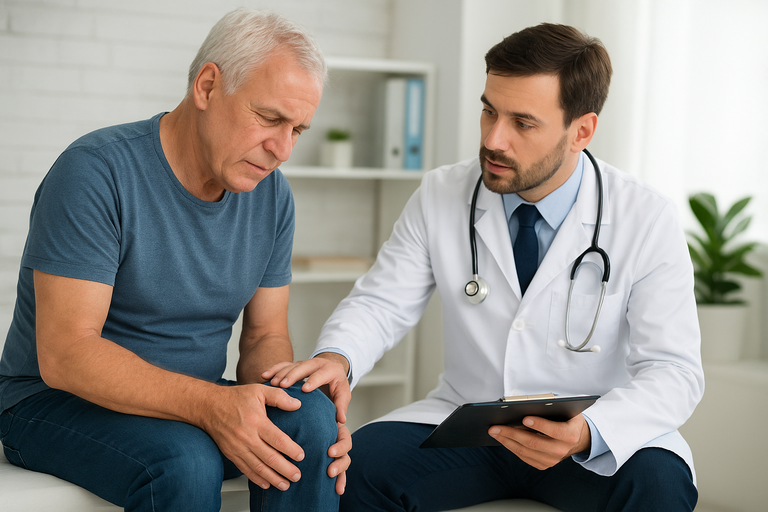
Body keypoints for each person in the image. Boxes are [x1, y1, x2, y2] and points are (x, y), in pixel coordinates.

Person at [264, 23, 705, 511]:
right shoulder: (442, 193)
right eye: (489, 111)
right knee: (351, 472)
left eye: (523, 122)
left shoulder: (645, 217)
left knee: (660, 488)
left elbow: (674, 370)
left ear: (581, 130)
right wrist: (339, 357)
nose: (494, 139)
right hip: (470, 423)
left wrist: (588, 432)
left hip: (594, 434)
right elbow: (382, 302)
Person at [0, 8, 350, 512]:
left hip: (191, 402)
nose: (282, 149)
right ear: (207, 86)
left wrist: (284, 397)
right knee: (185, 460)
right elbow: (67, 354)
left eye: (298, 130)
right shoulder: (95, 172)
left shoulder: (272, 196)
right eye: (270, 118)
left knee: (310, 421)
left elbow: (264, 336)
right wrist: (212, 406)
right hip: (52, 404)